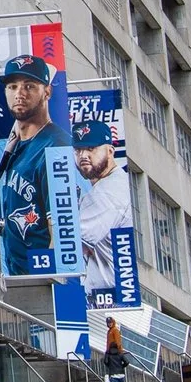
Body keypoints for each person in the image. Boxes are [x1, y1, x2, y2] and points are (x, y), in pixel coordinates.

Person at [0, 54, 62, 274]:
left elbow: (61, 231)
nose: (19, 94)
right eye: (12, 86)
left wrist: (50, 282)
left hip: (40, 280)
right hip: (16, 278)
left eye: (30, 86)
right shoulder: (14, 144)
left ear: (47, 92)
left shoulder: (54, 146)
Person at [72, 110, 134, 280]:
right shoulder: (109, 184)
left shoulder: (108, 191)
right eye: (78, 150)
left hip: (110, 295)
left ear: (110, 151)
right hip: (107, 293)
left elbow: (71, 244)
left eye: (91, 148)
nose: (83, 155)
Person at [103, 317, 130, 382]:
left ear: (113, 322)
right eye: (108, 323)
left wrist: (118, 350)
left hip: (114, 352)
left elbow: (118, 341)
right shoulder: (110, 331)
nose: (109, 324)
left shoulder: (115, 330)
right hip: (111, 353)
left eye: (110, 322)